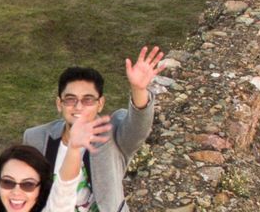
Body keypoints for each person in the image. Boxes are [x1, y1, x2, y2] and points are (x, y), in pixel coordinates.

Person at [23, 46, 165, 212]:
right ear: (59, 104)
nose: (78, 106)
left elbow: (138, 128)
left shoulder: (114, 132)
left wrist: (138, 89)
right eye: (70, 99)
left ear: (100, 104)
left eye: (88, 99)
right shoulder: (35, 138)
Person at [0, 115, 112, 212]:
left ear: (40, 189)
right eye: (8, 182)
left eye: (28, 184)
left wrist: (73, 149)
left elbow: (64, 190)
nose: (16, 192)